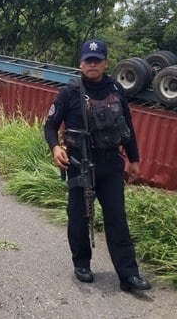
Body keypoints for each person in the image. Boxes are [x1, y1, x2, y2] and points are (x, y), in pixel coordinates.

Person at [43, 39, 151, 292]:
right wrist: (55, 147)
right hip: (79, 163)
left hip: (111, 163)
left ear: (106, 63)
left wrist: (134, 159)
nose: (92, 64)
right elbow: (49, 125)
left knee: (117, 219)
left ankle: (129, 276)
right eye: (88, 60)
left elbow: (127, 127)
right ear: (80, 62)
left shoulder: (116, 88)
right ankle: (82, 264)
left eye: (97, 60)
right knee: (78, 217)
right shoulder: (69, 91)